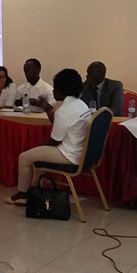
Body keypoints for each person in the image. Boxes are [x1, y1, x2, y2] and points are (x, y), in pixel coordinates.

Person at [6, 69, 90, 205]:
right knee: (33, 154)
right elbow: (58, 123)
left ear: (63, 90)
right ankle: (29, 190)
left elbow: (54, 140)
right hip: (81, 152)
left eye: (55, 88)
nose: (53, 92)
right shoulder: (80, 104)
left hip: (68, 154)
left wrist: (38, 150)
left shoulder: (64, 111)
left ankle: (23, 194)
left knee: (24, 157)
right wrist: (46, 108)